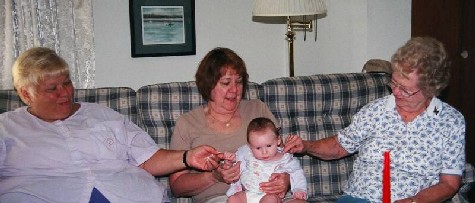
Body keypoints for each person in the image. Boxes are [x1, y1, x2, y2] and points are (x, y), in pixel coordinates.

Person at [0, 47, 226, 203]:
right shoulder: (6, 128)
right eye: (52, 88)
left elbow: (148, 158)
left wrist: (188, 157)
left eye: (67, 83)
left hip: (130, 195)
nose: (65, 93)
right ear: (25, 94)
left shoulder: (103, 115)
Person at [284, 37, 465, 203]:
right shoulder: (376, 110)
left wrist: (414, 201)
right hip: (360, 198)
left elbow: (449, 184)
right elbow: (340, 146)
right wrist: (307, 146)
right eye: (393, 83)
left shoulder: (451, 122)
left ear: (430, 89)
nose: (395, 92)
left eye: (405, 89)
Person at [169, 47, 296, 203]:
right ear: (209, 85)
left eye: (239, 82)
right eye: (226, 83)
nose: (234, 90)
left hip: (270, 196)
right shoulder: (188, 123)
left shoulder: (257, 108)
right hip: (223, 198)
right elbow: (176, 186)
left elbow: (283, 157)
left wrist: (287, 179)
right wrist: (213, 176)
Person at [226, 117, 307, 203]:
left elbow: (297, 173)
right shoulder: (246, 153)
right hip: (247, 193)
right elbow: (234, 168)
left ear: (278, 140)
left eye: (268, 146)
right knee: (233, 199)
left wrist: (299, 189)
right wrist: (229, 162)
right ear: (250, 146)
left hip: (270, 195)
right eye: (258, 148)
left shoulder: (286, 159)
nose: (264, 152)